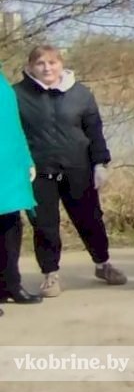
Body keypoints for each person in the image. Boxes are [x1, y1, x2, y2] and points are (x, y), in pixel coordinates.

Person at [13, 45, 127, 297]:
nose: (47, 68)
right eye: (40, 63)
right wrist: (20, 165)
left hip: (78, 168)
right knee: (44, 224)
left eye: (52, 63)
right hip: (38, 171)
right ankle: (50, 274)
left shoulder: (80, 94)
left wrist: (100, 163)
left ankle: (103, 263)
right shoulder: (17, 95)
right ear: (30, 67)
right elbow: (12, 134)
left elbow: (94, 130)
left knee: (90, 219)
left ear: (61, 64)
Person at [1, 60, 43, 311]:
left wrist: (26, 158)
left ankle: (10, 284)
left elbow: (13, 124)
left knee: (10, 226)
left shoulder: (1, 81)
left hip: (9, 165)